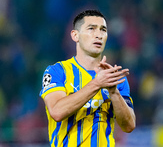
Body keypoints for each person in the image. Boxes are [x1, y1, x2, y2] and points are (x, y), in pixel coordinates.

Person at [39, 9, 136, 147]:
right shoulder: (57, 71)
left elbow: (129, 126)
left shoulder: (114, 77)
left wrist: (113, 92)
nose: (99, 35)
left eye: (103, 30)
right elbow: (57, 111)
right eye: (91, 29)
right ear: (75, 35)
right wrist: (97, 83)